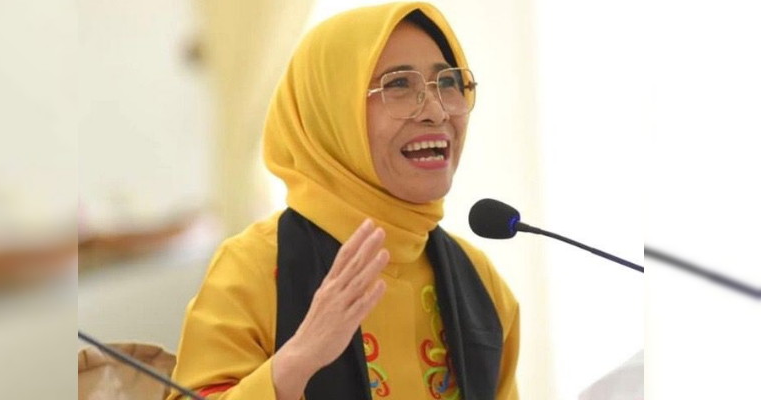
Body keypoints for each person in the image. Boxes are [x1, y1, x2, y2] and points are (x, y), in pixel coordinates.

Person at [168, 2, 519, 399]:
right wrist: (298, 360)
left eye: (449, 82)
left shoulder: (478, 279)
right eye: (398, 85)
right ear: (331, 110)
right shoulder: (255, 267)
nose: (436, 111)